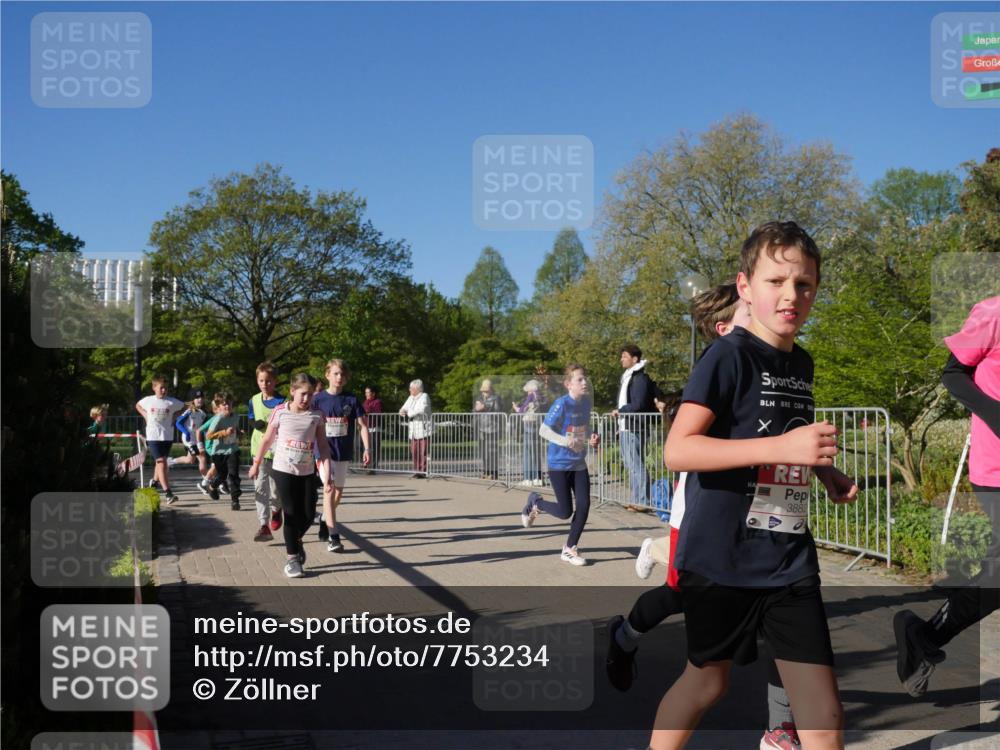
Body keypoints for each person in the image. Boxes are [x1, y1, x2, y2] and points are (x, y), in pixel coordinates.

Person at [648, 222, 859, 750]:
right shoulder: (728, 355)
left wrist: (822, 470)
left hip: (786, 554)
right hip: (722, 557)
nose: (791, 295)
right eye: (776, 281)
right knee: (706, 682)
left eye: (805, 284)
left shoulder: (801, 362)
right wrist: (781, 451)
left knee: (823, 713)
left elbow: (782, 437)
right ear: (746, 287)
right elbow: (679, 450)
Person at [610, 284, 801, 750]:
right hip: (704, 521)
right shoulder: (721, 363)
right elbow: (684, 446)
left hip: (769, 524)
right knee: (682, 604)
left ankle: (781, 728)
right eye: (749, 310)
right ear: (724, 328)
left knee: (783, 625)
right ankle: (625, 634)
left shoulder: (781, 363)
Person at [894, 295, 1000, 697]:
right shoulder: (994, 314)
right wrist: (997, 415)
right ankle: (922, 636)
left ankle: (921, 636)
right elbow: (953, 374)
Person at [248, 373, 333, 579]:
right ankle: (292, 560)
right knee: (291, 512)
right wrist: (256, 464)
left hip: (306, 471)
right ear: (292, 392)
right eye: (303, 394)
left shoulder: (317, 415)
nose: (306, 399)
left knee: (308, 513)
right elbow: (267, 439)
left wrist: (327, 474)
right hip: (283, 469)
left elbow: (322, 445)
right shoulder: (280, 412)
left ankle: (296, 541)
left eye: (310, 395)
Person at [519, 364, 601, 566]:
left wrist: (592, 437)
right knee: (565, 512)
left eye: (585, 379)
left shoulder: (586, 403)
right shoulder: (561, 404)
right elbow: (544, 431)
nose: (584, 382)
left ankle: (569, 548)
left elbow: (585, 426)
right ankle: (536, 502)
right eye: (580, 379)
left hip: (578, 463)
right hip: (558, 464)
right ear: (568, 384)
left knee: (584, 505)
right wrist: (566, 441)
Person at [312, 359, 371, 553]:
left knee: (338, 494)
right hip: (323, 453)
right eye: (336, 373)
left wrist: (367, 449)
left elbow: (363, 426)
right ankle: (334, 537)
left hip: (342, 452)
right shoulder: (318, 400)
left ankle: (323, 518)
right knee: (328, 490)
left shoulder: (351, 400)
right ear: (327, 374)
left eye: (342, 375)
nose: (339, 377)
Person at [613, 344, 657, 509]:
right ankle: (637, 499)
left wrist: (621, 410)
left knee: (636, 464)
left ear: (635, 359)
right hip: (627, 426)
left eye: (624, 356)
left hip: (634, 426)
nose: (621, 359)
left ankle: (643, 501)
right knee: (632, 465)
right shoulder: (629, 377)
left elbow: (638, 404)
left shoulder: (639, 379)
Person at [248, 362, 286, 543]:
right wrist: (254, 423)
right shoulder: (254, 400)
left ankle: (277, 510)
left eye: (268, 381)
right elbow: (250, 416)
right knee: (259, 487)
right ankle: (263, 525)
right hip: (259, 450)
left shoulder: (283, 402)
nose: (265, 384)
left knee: (276, 490)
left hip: (278, 451)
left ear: (275, 381)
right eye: (261, 380)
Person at [136, 375, 186, 505]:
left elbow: (184, 406)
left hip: (167, 437)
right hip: (153, 437)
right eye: (161, 388)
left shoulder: (171, 401)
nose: (164, 390)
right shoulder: (148, 400)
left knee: (160, 464)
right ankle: (168, 493)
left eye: (166, 388)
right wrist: (145, 415)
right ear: (154, 388)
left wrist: (175, 415)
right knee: (162, 463)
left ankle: (153, 483)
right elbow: (137, 405)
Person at [200, 392, 242, 510]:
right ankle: (213, 487)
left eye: (228, 403)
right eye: (224, 405)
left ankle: (235, 501)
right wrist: (224, 433)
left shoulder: (235, 416)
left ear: (232, 403)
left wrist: (239, 433)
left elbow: (235, 428)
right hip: (218, 452)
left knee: (233, 474)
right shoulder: (218, 419)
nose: (227, 406)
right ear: (219, 407)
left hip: (232, 449)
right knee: (222, 475)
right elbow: (209, 436)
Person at [168, 390, 211, 495]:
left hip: (197, 439)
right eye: (197, 398)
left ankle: (170, 461)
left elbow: (203, 428)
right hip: (188, 440)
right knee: (202, 457)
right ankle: (205, 483)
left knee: (190, 460)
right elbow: (178, 423)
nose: (200, 399)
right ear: (193, 400)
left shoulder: (203, 413)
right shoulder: (189, 411)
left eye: (201, 397)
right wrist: (186, 432)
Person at [513, 378, 545, 486]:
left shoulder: (531, 396)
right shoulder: (541, 397)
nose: (527, 392)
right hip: (538, 425)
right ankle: (538, 478)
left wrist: (516, 408)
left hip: (529, 424)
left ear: (531, 389)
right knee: (536, 452)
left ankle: (528, 478)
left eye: (528, 390)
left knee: (528, 452)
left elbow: (522, 410)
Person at [399, 379, 432, 478]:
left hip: (423, 427)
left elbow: (422, 409)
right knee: (414, 451)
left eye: (411, 388)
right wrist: (402, 411)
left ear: (417, 388)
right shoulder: (410, 397)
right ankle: (417, 470)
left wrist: (409, 412)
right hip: (413, 429)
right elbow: (404, 408)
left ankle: (423, 471)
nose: (409, 390)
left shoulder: (424, 396)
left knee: (423, 451)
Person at [474, 378, 502, 480]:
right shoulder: (479, 398)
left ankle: (493, 473)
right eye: (483, 391)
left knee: (492, 452)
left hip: (492, 428)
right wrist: (476, 410)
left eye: (486, 391)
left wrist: (486, 407)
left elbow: (498, 410)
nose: (484, 393)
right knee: (484, 452)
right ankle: (485, 471)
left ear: (490, 390)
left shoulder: (496, 398)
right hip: (481, 428)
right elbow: (474, 410)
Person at [363, 386, 383, 473]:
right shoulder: (365, 402)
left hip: (375, 428)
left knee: (375, 448)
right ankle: (366, 464)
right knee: (366, 447)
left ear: (373, 394)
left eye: (368, 392)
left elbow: (377, 412)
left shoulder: (377, 402)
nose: (367, 394)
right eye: (366, 393)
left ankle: (373, 467)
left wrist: (368, 411)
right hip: (366, 428)